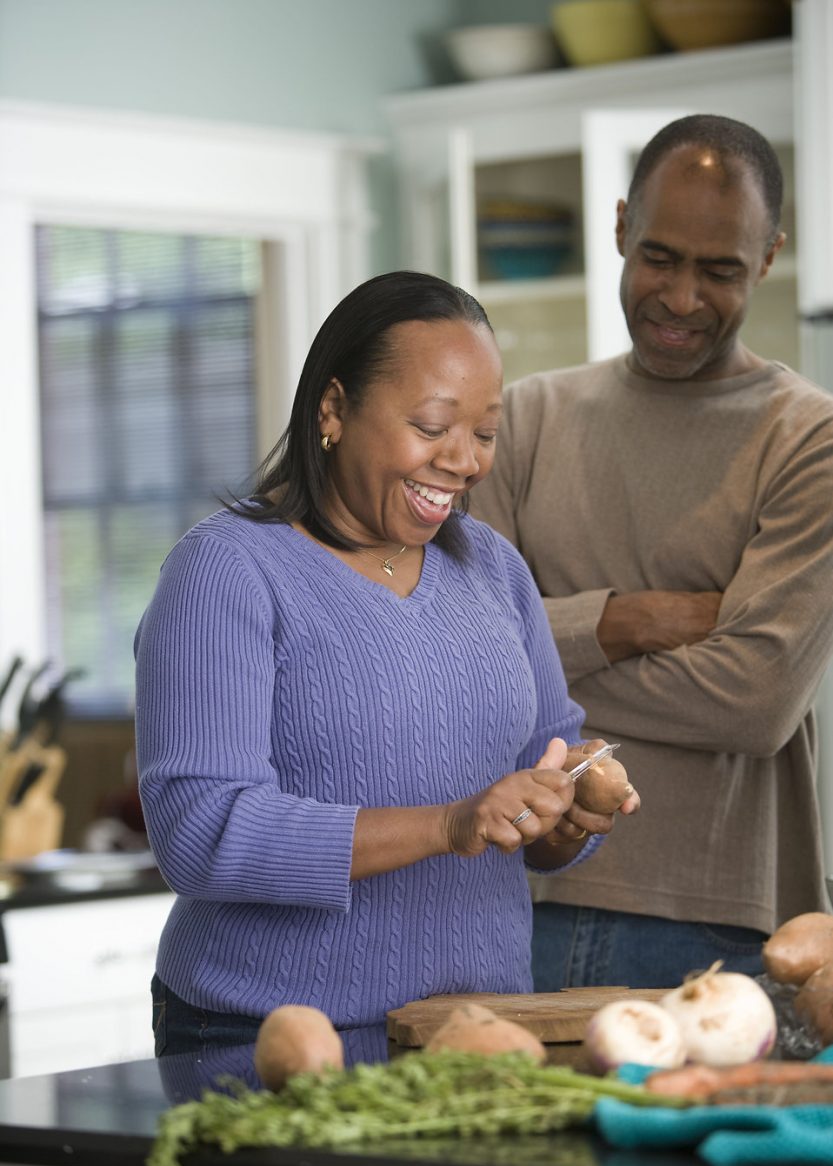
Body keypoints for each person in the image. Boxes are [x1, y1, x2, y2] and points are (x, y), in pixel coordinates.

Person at [134, 270, 639, 1057]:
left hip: (475, 1034)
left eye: (484, 432)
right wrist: (447, 823)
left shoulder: (493, 568)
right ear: (333, 409)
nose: (465, 461)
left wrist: (568, 810)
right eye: (433, 425)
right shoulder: (227, 571)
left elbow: (540, 787)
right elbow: (201, 832)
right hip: (266, 1035)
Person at [470, 114, 833, 992]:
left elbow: (753, 702)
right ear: (621, 225)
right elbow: (461, 661)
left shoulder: (807, 439)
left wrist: (539, 647)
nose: (678, 297)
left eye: (720, 270)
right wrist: (627, 621)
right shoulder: (522, 419)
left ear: (770, 257)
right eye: (660, 257)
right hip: (508, 894)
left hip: (718, 925)